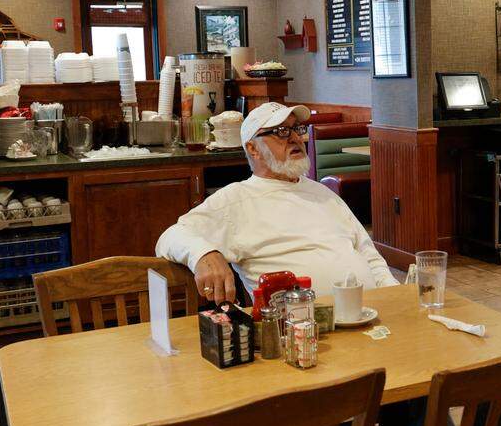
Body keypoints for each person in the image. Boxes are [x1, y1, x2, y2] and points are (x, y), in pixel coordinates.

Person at [156, 101, 399, 301]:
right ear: (253, 148)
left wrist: (396, 295)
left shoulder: (323, 193)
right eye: (281, 132)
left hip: (369, 315)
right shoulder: (236, 200)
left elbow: (368, 253)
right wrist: (203, 254)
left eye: (297, 129)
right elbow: (170, 237)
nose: (295, 138)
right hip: (303, 329)